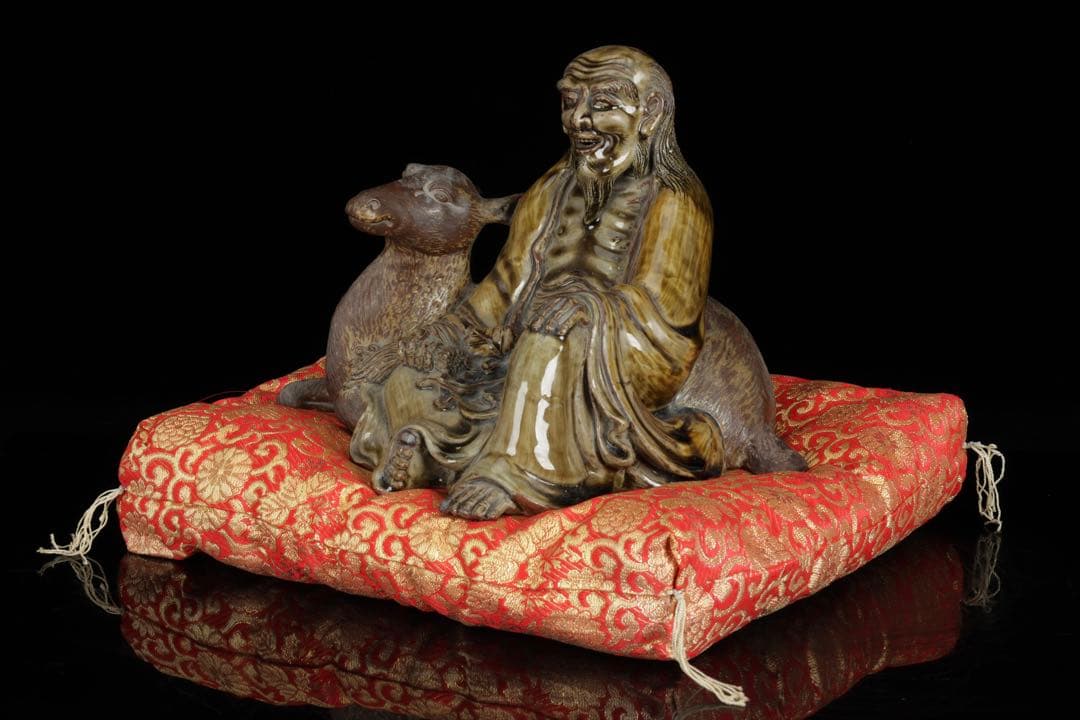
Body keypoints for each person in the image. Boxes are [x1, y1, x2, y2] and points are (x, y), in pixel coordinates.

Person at [349, 45, 726, 519]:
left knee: (548, 337)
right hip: (529, 338)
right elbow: (506, 283)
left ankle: (515, 475)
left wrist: (592, 308)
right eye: (570, 103)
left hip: (624, 346)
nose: (580, 120)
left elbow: (668, 311)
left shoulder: (675, 198)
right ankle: (435, 448)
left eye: (603, 105)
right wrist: (450, 330)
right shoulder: (552, 187)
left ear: (649, 113)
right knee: (413, 368)